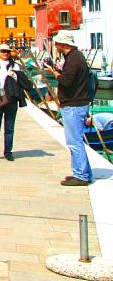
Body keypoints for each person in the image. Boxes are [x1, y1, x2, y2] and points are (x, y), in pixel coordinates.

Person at [46, 31, 93, 186]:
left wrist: (54, 73)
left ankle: (81, 175)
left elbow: (66, 82)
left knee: (74, 142)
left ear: (63, 44)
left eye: (57, 43)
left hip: (74, 105)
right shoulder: (75, 57)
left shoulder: (73, 59)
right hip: (77, 103)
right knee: (77, 141)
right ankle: (84, 173)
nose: (56, 46)